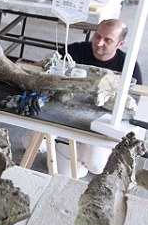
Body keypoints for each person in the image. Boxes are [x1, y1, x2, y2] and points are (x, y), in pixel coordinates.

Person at [28, 18, 143, 178]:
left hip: (100, 122)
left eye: (108, 40)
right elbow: (40, 69)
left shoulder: (128, 66)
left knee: (96, 166)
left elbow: (133, 103)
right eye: (97, 36)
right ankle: (67, 145)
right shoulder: (75, 51)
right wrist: (45, 63)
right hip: (67, 116)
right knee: (40, 149)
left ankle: (83, 151)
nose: (99, 43)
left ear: (120, 43)